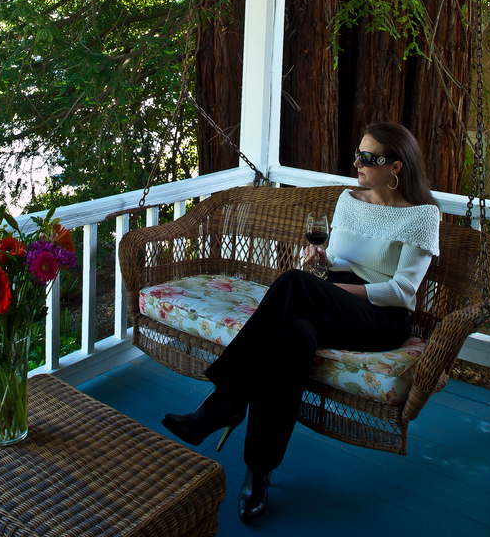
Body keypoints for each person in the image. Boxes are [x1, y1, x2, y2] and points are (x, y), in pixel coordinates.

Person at [162, 122, 440, 524]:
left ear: (396, 165)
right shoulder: (349, 200)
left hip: (381, 317)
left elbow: (401, 291)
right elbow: (344, 262)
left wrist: (332, 292)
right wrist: (326, 263)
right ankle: (259, 471)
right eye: (358, 153)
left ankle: (224, 401)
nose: (357, 163)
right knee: (295, 337)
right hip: (333, 301)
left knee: (295, 282)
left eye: (369, 158)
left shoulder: (421, 215)